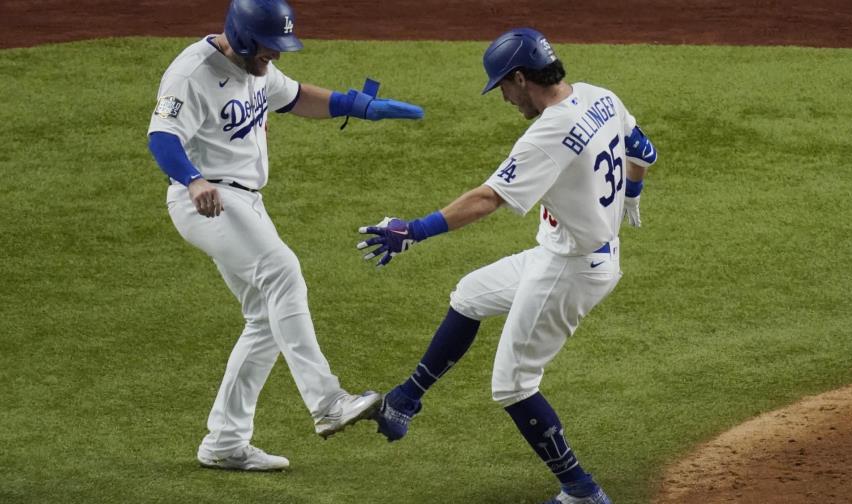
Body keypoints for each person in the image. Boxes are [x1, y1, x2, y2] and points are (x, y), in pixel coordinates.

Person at [356, 28, 656, 504]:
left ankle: (580, 489)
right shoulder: (601, 96)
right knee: (470, 294)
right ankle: (404, 400)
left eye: (503, 87)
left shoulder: (546, 134)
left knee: (513, 385)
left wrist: (412, 229)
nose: (504, 98)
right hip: (573, 252)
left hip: (570, 268)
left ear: (521, 77)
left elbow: (486, 199)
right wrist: (633, 192)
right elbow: (643, 149)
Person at [147, 0, 423, 471]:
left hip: (247, 202)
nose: (275, 56)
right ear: (244, 36)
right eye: (270, 47)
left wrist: (360, 106)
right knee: (283, 274)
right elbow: (162, 136)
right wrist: (193, 180)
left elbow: (295, 97)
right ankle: (328, 402)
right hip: (207, 198)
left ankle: (225, 442)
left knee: (265, 319)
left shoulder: (255, 68)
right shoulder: (192, 73)